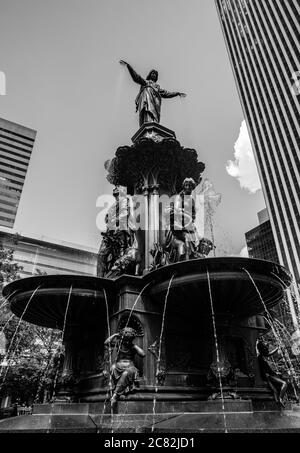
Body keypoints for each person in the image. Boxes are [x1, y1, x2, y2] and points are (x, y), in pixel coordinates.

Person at [120, 60, 186, 126]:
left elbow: (167, 94)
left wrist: (177, 93)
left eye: (155, 74)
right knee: (146, 110)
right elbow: (136, 77)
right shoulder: (146, 82)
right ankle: (147, 124)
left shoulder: (157, 87)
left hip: (155, 103)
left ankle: (153, 124)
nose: (154, 75)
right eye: (152, 73)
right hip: (146, 100)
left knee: (153, 116)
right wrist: (128, 66)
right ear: (150, 75)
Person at [104, 327, 145, 408]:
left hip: (130, 366)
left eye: (128, 339)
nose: (126, 341)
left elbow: (143, 354)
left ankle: (115, 395)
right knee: (112, 368)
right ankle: (119, 390)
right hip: (118, 366)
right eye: (125, 338)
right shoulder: (118, 343)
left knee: (126, 373)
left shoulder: (132, 346)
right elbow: (106, 343)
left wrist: (133, 345)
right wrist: (115, 335)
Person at [256, 340, 287, 407]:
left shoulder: (263, 356)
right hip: (269, 376)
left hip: (270, 375)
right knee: (284, 383)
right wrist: (268, 376)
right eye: (266, 348)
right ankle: (280, 398)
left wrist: (277, 348)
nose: (267, 349)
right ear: (261, 349)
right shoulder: (260, 358)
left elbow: (270, 353)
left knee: (280, 376)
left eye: (267, 348)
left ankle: (280, 397)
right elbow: (263, 372)